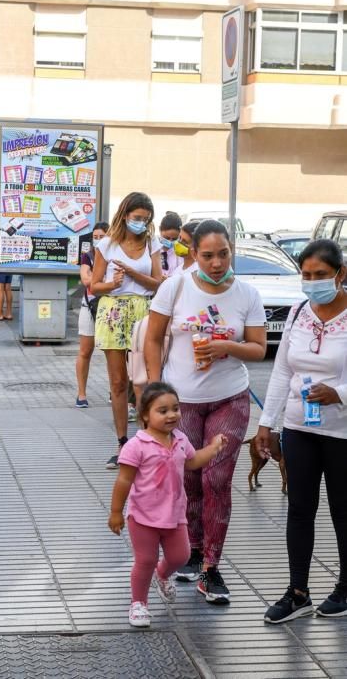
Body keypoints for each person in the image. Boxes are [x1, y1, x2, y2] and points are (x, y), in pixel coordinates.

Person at [144, 219, 267, 603]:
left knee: (216, 479)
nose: (217, 263)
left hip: (230, 397)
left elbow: (259, 348)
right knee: (188, 480)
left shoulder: (247, 293)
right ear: (194, 254)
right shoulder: (175, 286)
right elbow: (152, 337)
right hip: (182, 403)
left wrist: (226, 347)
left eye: (224, 254)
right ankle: (192, 550)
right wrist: (154, 388)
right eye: (208, 255)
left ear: (233, 251)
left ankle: (212, 567)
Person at [255, 239, 347, 624]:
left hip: (342, 433)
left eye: (321, 276)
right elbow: (282, 372)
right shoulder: (297, 312)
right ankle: (298, 593)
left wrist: (338, 393)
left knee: (343, 511)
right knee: (299, 509)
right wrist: (266, 423)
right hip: (299, 426)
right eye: (306, 275)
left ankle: (345, 587)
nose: (312, 283)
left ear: (341, 275)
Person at [108, 382, 228, 627]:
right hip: (143, 517)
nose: (172, 415)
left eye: (175, 408)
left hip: (174, 514)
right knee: (145, 560)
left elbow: (193, 462)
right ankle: (138, 603)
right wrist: (116, 512)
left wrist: (214, 448)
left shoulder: (181, 439)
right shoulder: (136, 446)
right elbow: (124, 480)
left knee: (180, 556)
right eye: (162, 411)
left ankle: (162, 575)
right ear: (144, 415)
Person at [90, 192, 163, 469]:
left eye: (146, 219)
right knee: (118, 382)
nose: (141, 224)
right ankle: (122, 443)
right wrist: (112, 284)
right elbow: (94, 285)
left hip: (143, 311)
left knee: (142, 381)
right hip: (112, 311)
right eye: (137, 218)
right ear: (124, 216)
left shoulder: (151, 243)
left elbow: (158, 283)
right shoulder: (107, 244)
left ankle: (148, 440)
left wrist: (132, 273)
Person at [75, 221, 109, 407]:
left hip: (111, 307)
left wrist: (99, 282)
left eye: (101, 237)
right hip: (90, 305)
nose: (97, 241)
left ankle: (115, 391)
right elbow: (86, 279)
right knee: (85, 350)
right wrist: (106, 281)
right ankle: (81, 394)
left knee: (113, 353)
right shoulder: (88, 256)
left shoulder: (115, 256)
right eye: (95, 237)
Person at [158, 213, 182, 278]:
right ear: (160, 229)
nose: (170, 241)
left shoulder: (181, 252)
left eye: (174, 239)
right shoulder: (152, 248)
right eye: (167, 238)